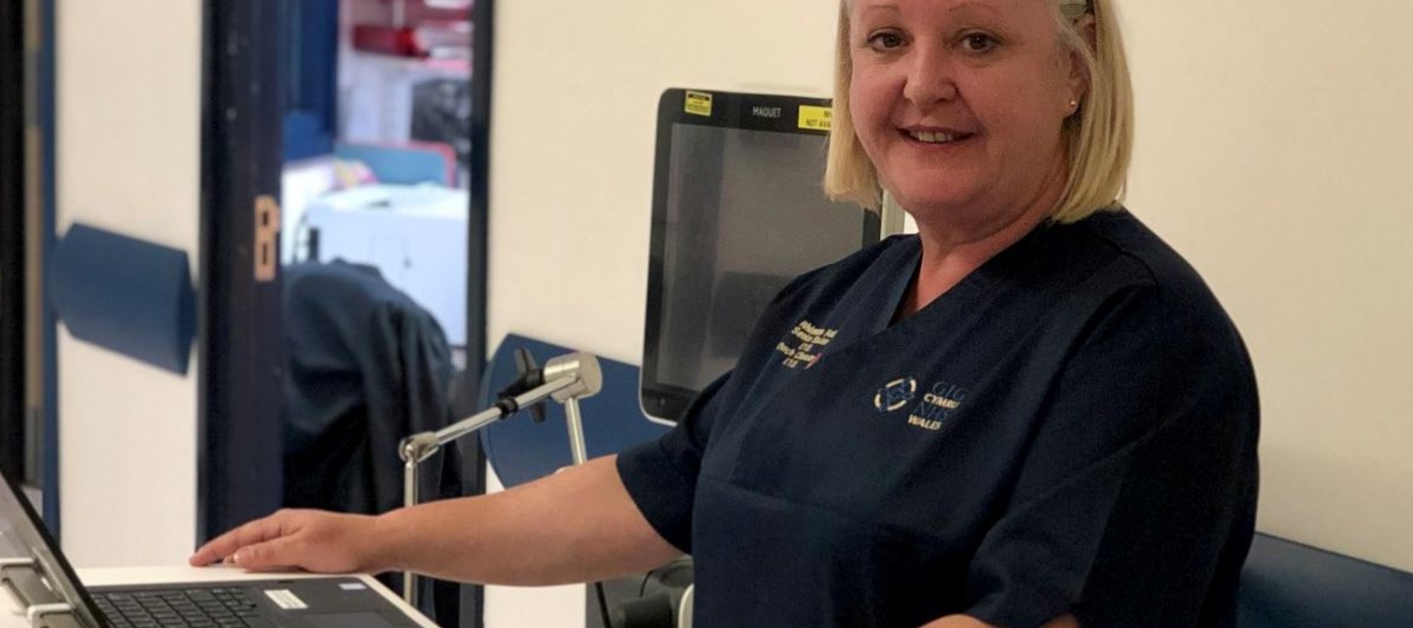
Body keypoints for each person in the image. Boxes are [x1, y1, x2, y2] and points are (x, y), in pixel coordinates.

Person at [192, 1, 1260, 626]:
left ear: (1076, 74)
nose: (923, 81)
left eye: (978, 39)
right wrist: (369, 536)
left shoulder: (1143, 340)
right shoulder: (839, 296)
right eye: (885, 37)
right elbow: (649, 495)